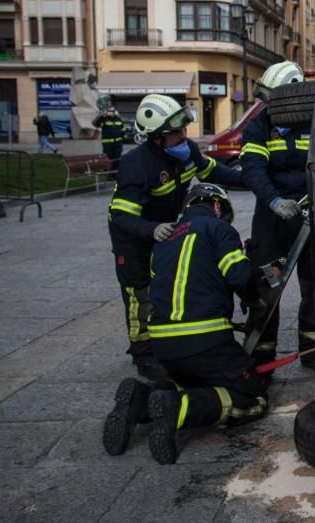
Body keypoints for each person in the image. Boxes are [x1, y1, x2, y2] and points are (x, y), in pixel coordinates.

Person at [101, 184, 269, 464]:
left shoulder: (163, 240)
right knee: (252, 396)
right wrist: (255, 300)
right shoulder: (219, 230)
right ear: (217, 206)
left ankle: (141, 400)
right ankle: (178, 408)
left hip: (164, 346)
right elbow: (239, 277)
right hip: (207, 340)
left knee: (193, 382)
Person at [108, 94, 242, 380]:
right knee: (138, 295)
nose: (183, 137)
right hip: (132, 240)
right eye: (175, 133)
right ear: (155, 137)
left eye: (183, 130)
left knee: (162, 289)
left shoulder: (186, 150)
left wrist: (251, 179)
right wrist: (151, 229)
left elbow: (213, 171)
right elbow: (122, 216)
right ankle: (143, 354)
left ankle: (162, 341)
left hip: (164, 233)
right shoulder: (137, 166)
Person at [239, 61, 315, 372]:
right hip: (272, 219)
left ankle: (312, 351)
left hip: (309, 215)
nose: (270, 105)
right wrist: (273, 201)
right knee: (266, 285)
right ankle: (262, 356)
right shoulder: (258, 126)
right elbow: (253, 171)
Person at [92, 104, 127, 172]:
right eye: (110, 111)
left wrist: (121, 140)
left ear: (115, 111)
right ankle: (108, 174)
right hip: (107, 144)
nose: (111, 113)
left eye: (113, 111)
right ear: (107, 112)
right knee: (108, 159)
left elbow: (123, 130)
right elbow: (95, 124)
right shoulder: (104, 119)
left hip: (118, 144)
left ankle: (116, 174)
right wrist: (102, 116)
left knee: (117, 159)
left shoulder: (118, 119)